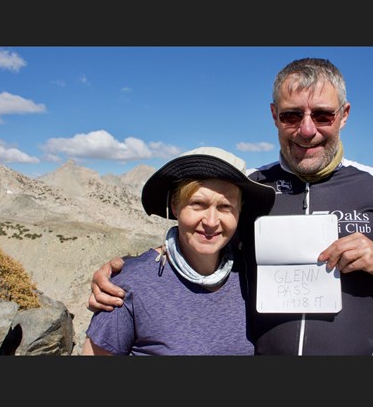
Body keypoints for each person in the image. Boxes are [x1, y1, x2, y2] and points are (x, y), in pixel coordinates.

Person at [87, 57, 373, 355]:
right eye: (292, 115)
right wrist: (129, 271)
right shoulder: (251, 186)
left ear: (344, 115)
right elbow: (205, 237)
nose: (307, 130)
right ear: (274, 116)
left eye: (323, 115)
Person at [81, 146, 275, 355]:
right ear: (175, 206)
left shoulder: (249, 275)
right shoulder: (129, 285)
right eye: (198, 204)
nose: (211, 222)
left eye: (225, 206)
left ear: (240, 209)